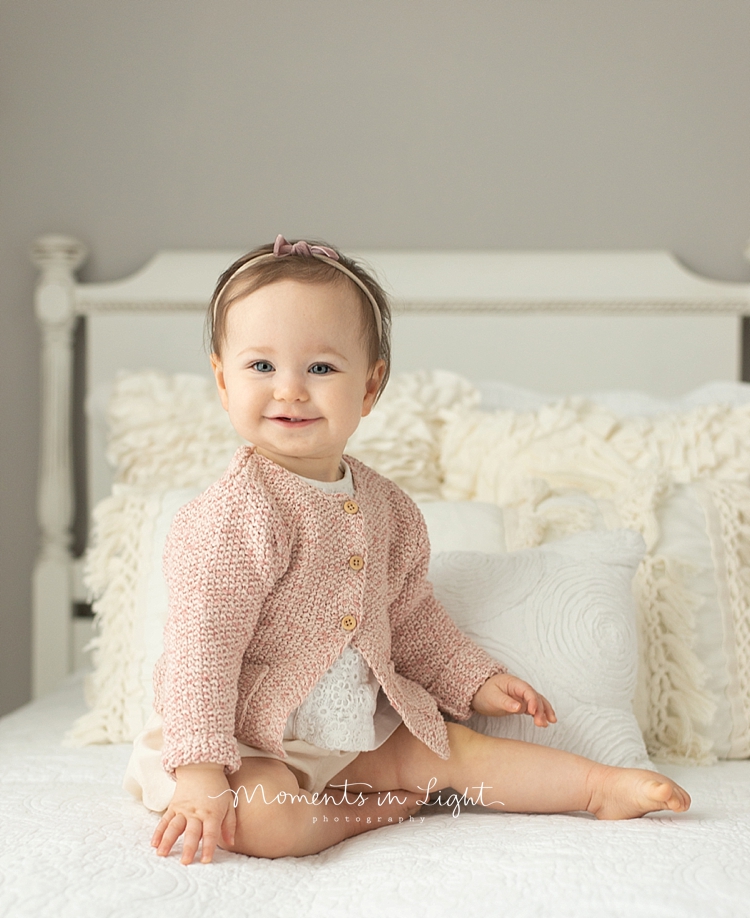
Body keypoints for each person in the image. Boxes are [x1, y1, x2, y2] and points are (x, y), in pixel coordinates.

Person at [127, 235, 690, 865]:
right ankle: (367, 814)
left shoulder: (387, 509)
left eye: (320, 368)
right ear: (223, 380)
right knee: (260, 824)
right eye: (261, 367)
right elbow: (199, 656)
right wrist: (202, 774)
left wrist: (475, 682)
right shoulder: (234, 517)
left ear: (369, 388)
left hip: (348, 734)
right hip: (242, 743)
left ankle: (596, 787)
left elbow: (412, 621)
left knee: (456, 752)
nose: (288, 390)